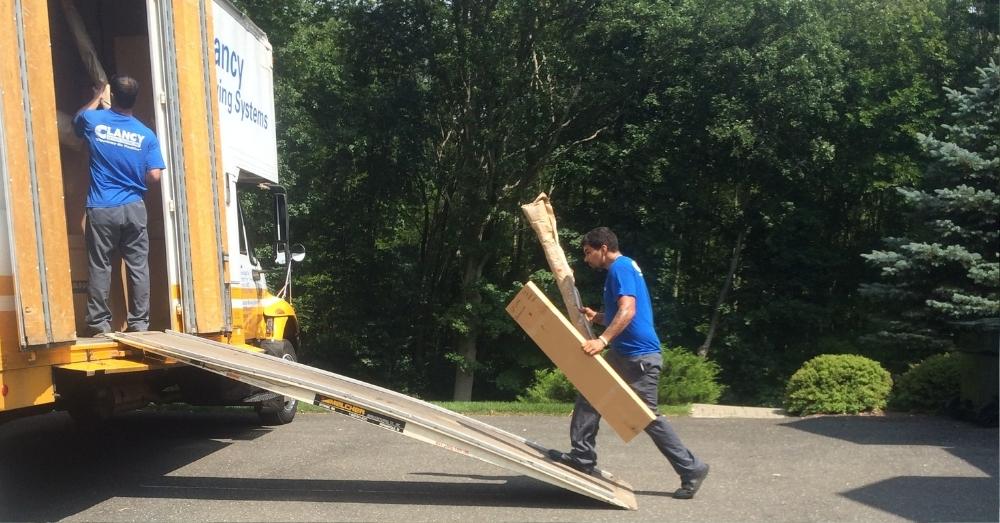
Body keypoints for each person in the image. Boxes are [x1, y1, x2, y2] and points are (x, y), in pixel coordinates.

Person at [547, 226, 710, 499]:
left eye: (588, 253)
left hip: (639, 357)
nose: (586, 259)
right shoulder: (625, 268)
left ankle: (691, 468)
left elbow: (628, 310)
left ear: (603, 248)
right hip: (625, 354)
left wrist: (603, 340)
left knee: (646, 417)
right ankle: (582, 458)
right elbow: (619, 313)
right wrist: (597, 317)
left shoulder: (619, 268)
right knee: (590, 392)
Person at [74, 75, 164, 335]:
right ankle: (138, 324)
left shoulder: (94, 120)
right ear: (135, 99)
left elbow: (78, 120)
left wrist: (96, 97)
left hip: (102, 206)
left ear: (111, 96)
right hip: (134, 207)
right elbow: (155, 175)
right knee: (138, 265)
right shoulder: (146, 134)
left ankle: (99, 324)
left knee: (100, 264)